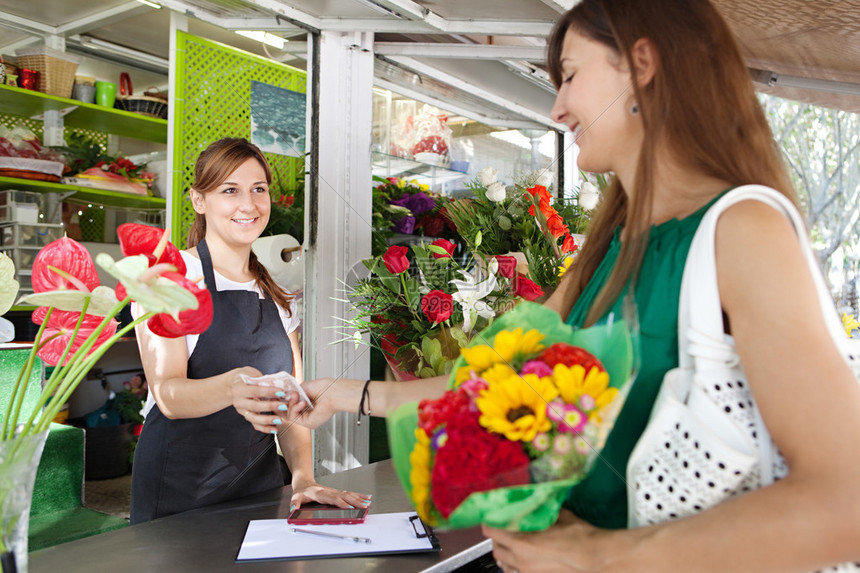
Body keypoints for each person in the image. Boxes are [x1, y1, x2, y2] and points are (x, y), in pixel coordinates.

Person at [288, 1, 860, 570]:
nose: (558, 107)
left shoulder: (741, 229)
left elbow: (845, 504)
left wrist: (601, 555)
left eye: (569, 75)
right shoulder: (606, 250)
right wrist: (347, 394)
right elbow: (490, 386)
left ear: (642, 64)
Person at [130, 138, 369, 524]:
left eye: (259, 189)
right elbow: (168, 395)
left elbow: (291, 408)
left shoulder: (275, 293)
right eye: (230, 190)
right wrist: (232, 388)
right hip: (179, 491)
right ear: (198, 200)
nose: (249, 204)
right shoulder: (169, 280)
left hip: (259, 485)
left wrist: (303, 478)